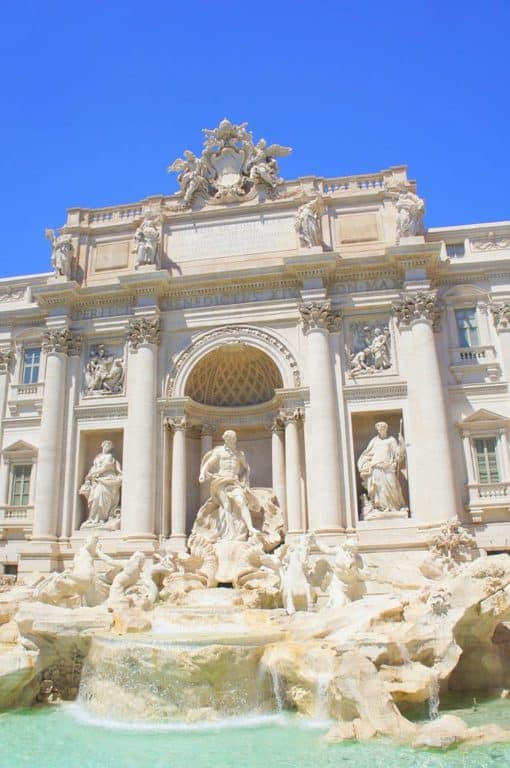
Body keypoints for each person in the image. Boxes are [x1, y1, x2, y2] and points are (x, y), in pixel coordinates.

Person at [198, 429, 257, 540]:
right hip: (221, 479)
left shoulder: (239, 454)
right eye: (229, 439)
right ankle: (230, 533)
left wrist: (244, 479)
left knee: (242, 502)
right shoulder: (219, 451)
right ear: (225, 439)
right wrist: (202, 474)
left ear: (235, 440)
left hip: (234, 482)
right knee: (226, 505)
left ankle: (251, 528)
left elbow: (246, 468)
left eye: (233, 439)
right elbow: (208, 463)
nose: (231, 441)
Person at [357, 422, 407, 519]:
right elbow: (367, 454)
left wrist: (402, 443)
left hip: (388, 467)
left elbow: (398, 455)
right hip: (376, 468)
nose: (381, 429)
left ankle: (395, 507)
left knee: (393, 486)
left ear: (386, 428)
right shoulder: (374, 441)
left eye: (383, 427)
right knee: (379, 489)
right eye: (379, 427)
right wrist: (364, 464)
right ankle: (382, 508)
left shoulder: (391, 440)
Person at [80, 440, 122, 528]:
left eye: (109, 447)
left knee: (101, 498)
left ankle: (101, 519)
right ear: (102, 446)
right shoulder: (98, 457)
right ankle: (93, 519)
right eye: (106, 446)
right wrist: (90, 476)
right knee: (95, 498)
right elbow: (94, 467)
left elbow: (104, 468)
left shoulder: (109, 456)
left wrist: (92, 474)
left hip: (107, 479)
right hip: (96, 480)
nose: (107, 448)